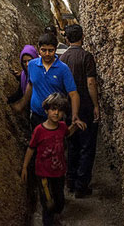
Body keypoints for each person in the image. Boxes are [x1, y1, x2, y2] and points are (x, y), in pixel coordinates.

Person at [21, 93, 86, 226]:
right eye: (53, 109)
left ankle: (56, 216)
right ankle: (49, 222)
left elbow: (67, 133)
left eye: (60, 110)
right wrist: (25, 167)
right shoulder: (39, 130)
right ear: (46, 110)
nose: (56, 113)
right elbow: (31, 148)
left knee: (60, 200)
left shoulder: (62, 126)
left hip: (59, 172)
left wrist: (75, 125)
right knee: (47, 202)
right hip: (43, 173)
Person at [60, 24, 100, 198]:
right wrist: (96, 105)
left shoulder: (62, 59)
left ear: (66, 39)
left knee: (72, 144)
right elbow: (91, 83)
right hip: (84, 106)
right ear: (82, 37)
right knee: (87, 145)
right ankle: (81, 186)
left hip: (67, 107)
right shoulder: (87, 57)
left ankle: (70, 181)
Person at [13, 33, 81, 130]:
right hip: (36, 116)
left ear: (55, 50)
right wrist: (22, 104)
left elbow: (73, 94)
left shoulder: (63, 69)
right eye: (44, 50)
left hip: (56, 117)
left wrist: (75, 114)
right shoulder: (32, 65)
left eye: (51, 50)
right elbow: (31, 84)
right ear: (39, 49)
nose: (47, 54)